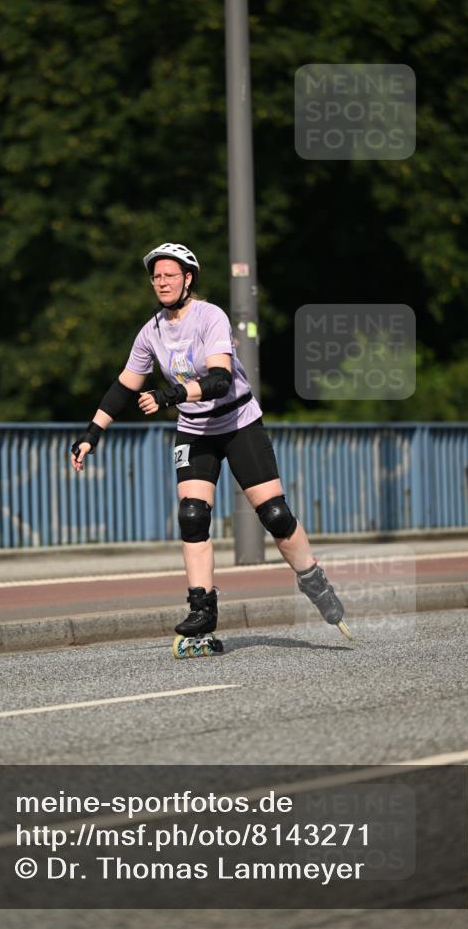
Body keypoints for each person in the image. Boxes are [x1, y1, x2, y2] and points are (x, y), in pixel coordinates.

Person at [70, 243, 349, 648]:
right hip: (195, 430)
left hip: (238, 424)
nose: (161, 282)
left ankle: (312, 578)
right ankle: (203, 608)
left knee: (273, 513)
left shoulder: (209, 317)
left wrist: (170, 395)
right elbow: (122, 387)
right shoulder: (151, 332)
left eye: (169, 275)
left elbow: (219, 380)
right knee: (192, 515)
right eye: (156, 277)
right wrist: (91, 434)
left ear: (188, 279)